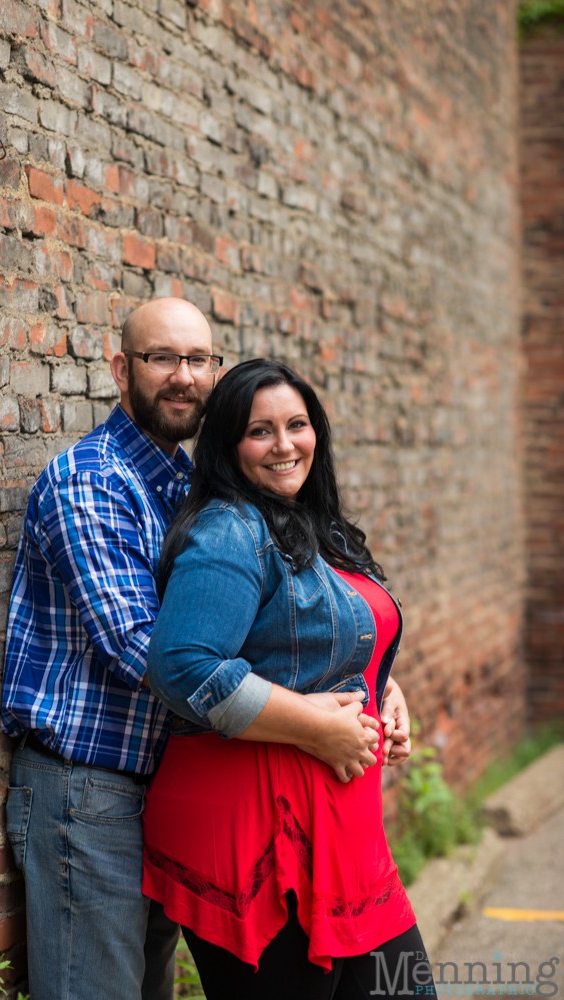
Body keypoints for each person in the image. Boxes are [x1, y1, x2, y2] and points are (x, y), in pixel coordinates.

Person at [142, 359, 430, 1000]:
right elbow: (182, 665)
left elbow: (337, 637)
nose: (284, 445)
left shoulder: (318, 525)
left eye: (297, 425)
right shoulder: (231, 530)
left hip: (342, 827)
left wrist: (383, 691)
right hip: (256, 828)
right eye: (259, 431)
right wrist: (320, 731)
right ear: (227, 445)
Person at [0, 298, 224, 1000]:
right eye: (163, 359)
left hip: (158, 787)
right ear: (122, 369)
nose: (183, 376)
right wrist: (292, 706)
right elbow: (141, 650)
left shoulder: (185, 486)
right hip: (88, 794)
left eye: (198, 360)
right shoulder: (93, 480)